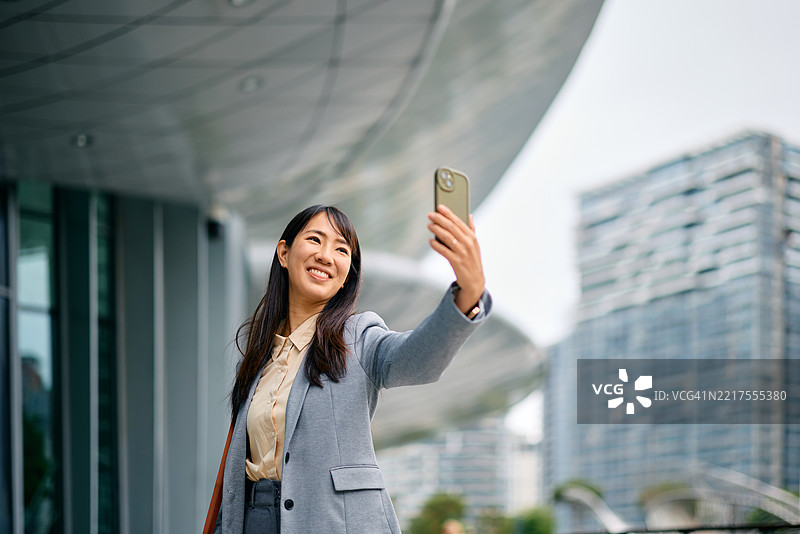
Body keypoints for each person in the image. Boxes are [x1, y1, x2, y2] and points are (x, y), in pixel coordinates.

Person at [214, 204, 491, 533]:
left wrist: (468, 294)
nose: (326, 255)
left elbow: (420, 358)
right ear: (284, 253)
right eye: (315, 240)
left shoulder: (359, 338)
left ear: (347, 275)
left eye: (341, 249)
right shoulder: (258, 359)